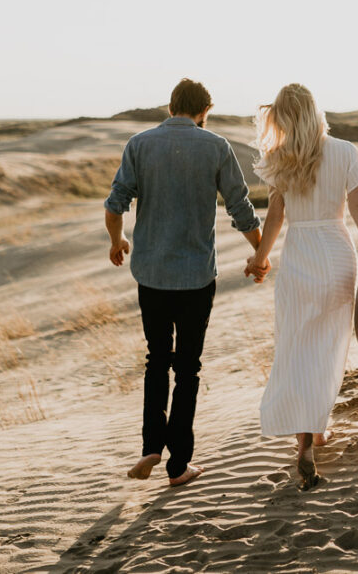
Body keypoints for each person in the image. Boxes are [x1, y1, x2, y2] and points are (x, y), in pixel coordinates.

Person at [104, 78, 267, 487]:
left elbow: (114, 203)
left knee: (156, 360)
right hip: (196, 277)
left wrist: (117, 240)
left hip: (152, 275)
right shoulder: (215, 146)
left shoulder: (139, 144)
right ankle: (179, 466)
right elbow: (240, 207)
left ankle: (150, 447)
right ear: (203, 111)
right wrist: (260, 253)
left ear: (171, 105)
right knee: (188, 369)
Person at [244, 83, 358, 489]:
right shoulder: (345, 151)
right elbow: (357, 207)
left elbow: (274, 217)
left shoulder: (280, 156)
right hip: (337, 253)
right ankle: (317, 430)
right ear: (315, 110)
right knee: (328, 347)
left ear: (284, 117)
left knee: (297, 345)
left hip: (300, 255)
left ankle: (304, 440)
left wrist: (259, 259)